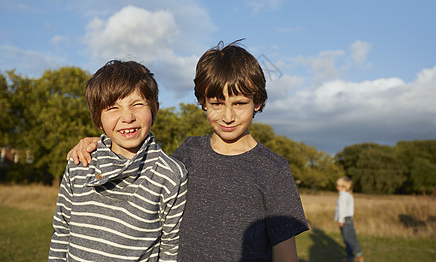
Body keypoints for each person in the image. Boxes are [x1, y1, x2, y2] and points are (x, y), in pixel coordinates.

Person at [67, 41, 309, 261]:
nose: (227, 115)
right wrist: (97, 143)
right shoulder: (189, 152)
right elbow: (140, 165)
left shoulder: (274, 169)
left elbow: (286, 254)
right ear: (203, 102)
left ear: (257, 102)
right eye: (216, 103)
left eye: (239, 103)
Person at [48, 60, 188, 261]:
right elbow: (61, 232)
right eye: (113, 108)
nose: (127, 117)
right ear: (98, 119)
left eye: (137, 104)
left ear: (154, 109)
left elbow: (170, 248)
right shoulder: (80, 164)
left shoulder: (171, 175)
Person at [335, 176, 364, 262]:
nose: (337, 187)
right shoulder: (349, 195)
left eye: (339, 186)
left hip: (344, 220)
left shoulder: (343, 196)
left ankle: (351, 257)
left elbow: (342, 209)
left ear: (344, 187)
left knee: (347, 239)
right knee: (352, 237)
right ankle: (357, 255)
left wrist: (340, 220)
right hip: (349, 219)